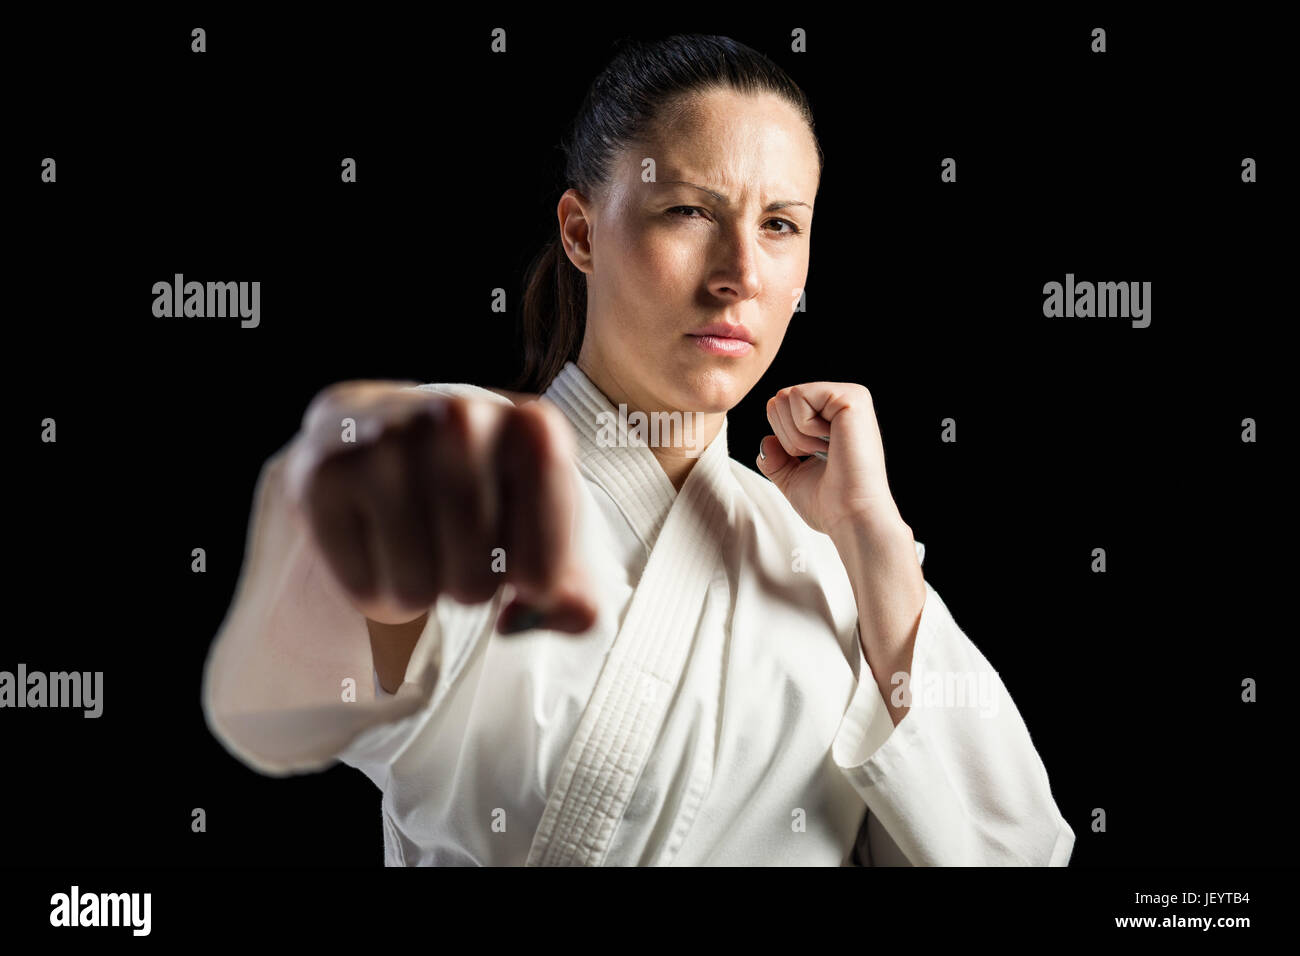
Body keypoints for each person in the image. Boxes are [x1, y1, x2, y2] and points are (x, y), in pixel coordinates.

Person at [201, 33, 1074, 866]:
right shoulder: (470, 464)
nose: (740, 272)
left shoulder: (836, 565)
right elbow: (295, 681)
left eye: (780, 224)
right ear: (581, 233)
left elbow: (1016, 853)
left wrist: (874, 541)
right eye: (689, 211)